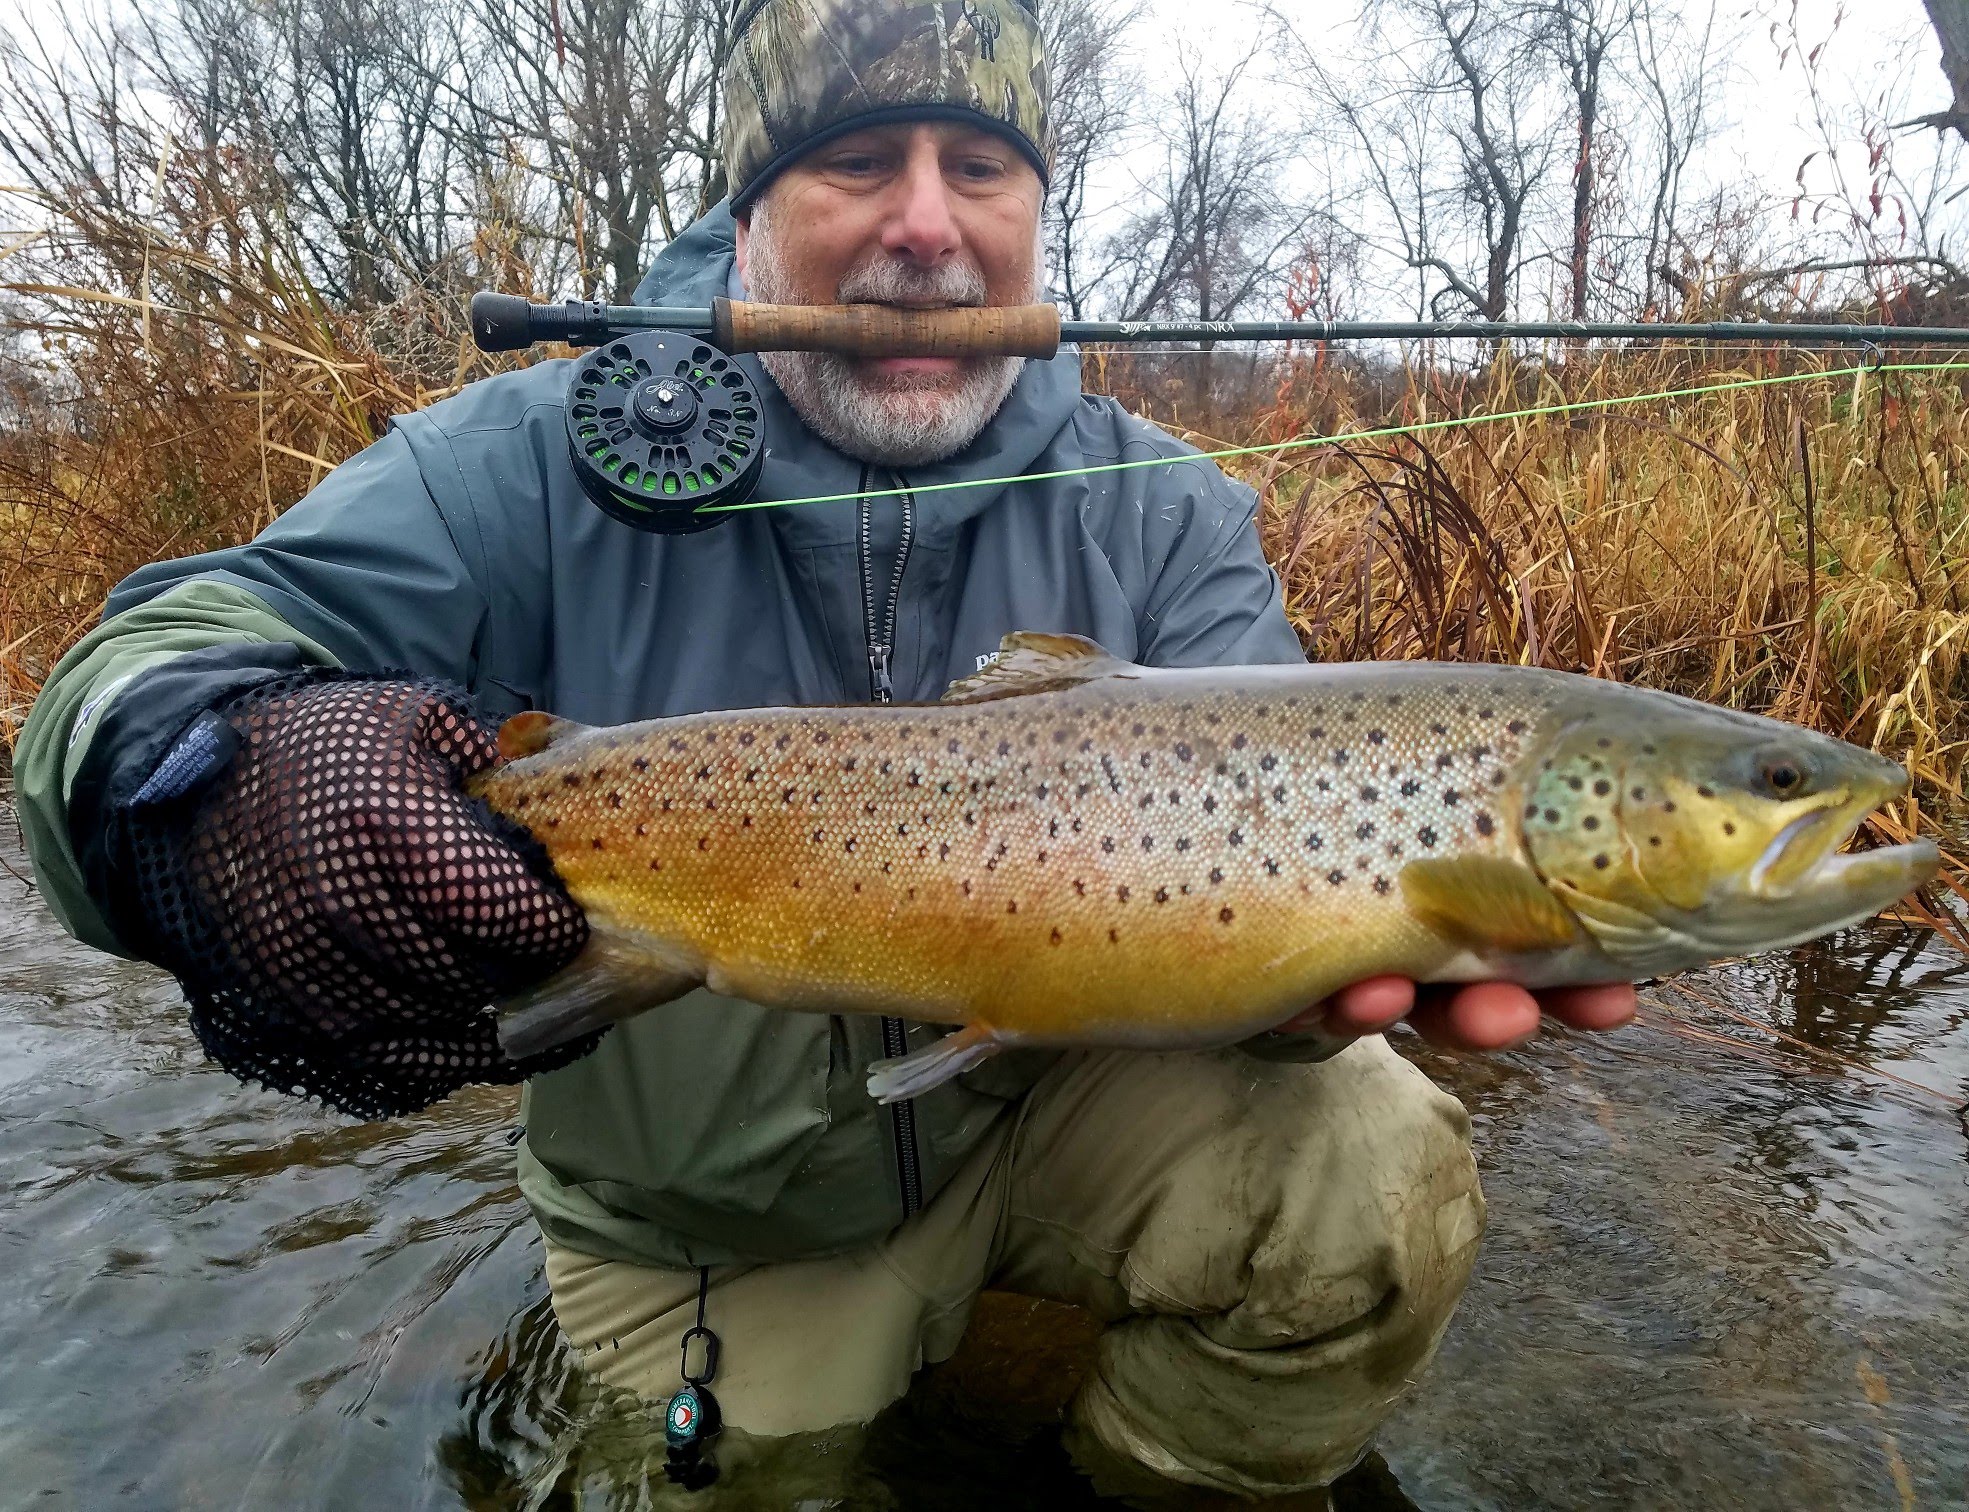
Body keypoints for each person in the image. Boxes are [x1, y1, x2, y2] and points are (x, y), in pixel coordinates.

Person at [13, 0, 1635, 1502]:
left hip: (1054, 1110)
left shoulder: (1166, 510)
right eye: (857, 161)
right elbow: (138, 665)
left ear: (1032, 216)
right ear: (750, 217)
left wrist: (1322, 983)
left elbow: (1266, 904)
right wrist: (215, 784)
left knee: (1369, 1154)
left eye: (981, 168)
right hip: (710, 1222)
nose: (926, 223)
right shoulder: (523, 463)